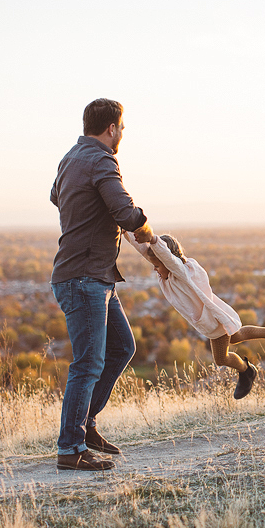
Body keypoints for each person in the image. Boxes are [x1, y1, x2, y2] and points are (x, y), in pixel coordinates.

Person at [50, 98, 155, 472]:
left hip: (93, 277)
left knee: (122, 347)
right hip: (84, 279)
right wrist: (150, 232)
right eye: (121, 128)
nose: (122, 133)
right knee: (88, 362)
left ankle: (85, 425)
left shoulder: (70, 158)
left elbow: (55, 196)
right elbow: (126, 213)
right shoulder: (101, 160)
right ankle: (70, 448)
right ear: (111, 128)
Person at [124, 231, 265, 398]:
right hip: (210, 318)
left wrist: (153, 239)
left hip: (212, 319)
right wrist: (126, 230)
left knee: (221, 359)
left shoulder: (181, 273)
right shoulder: (168, 271)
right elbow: (145, 250)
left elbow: (166, 257)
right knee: (235, 336)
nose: (154, 268)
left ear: (167, 262)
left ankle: (247, 370)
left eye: (157, 265)